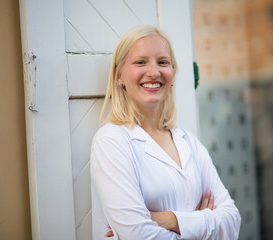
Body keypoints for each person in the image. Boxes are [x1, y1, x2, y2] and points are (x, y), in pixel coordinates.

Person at [90, 24, 241, 240]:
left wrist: (169, 220)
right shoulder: (112, 141)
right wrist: (202, 222)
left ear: (172, 74)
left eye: (163, 62)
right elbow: (139, 236)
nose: (154, 72)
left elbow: (232, 221)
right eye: (140, 62)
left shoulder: (188, 141)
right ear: (119, 75)